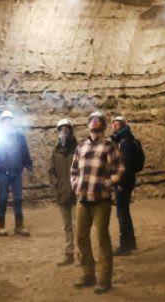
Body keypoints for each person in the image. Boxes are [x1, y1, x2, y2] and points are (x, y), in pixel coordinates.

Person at [70, 110, 125, 293]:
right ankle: (88, 274)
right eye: (92, 121)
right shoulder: (81, 147)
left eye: (98, 121)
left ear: (102, 125)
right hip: (83, 199)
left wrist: (108, 183)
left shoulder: (109, 146)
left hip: (101, 200)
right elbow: (74, 171)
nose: (94, 123)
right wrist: (76, 184)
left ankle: (104, 279)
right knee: (81, 237)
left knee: (102, 238)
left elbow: (119, 169)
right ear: (88, 124)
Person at [0, 110, 33, 237]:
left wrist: (29, 166)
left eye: (9, 120)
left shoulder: (19, 136)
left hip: (16, 172)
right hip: (3, 172)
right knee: (3, 199)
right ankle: (0, 226)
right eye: (5, 120)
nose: (7, 122)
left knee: (18, 199)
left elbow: (25, 152)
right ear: (1, 122)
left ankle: (19, 226)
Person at [109, 116, 144, 255]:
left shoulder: (125, 142)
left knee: (122, 214)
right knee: (124, 213)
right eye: (113, 124)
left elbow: (126, 166)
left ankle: (125, 246)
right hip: (126, 181)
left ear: (123, 126)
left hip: (124, 182)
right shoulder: (126, 140)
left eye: (116, 125)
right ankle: (131, 243)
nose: (114, 127)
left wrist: (121, 183)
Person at [48, 117, 77, 266]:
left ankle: (82, 254)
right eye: (61, 130)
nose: (64, 132)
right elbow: (51, 171)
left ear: (71, 131)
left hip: (76, 195)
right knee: (67, 226)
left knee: (79, 226)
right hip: (62, 194)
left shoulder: (78, 150)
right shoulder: (55, 152)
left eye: (67, 129)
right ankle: (69, 253)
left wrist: (78, 186)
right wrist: (56, 185)